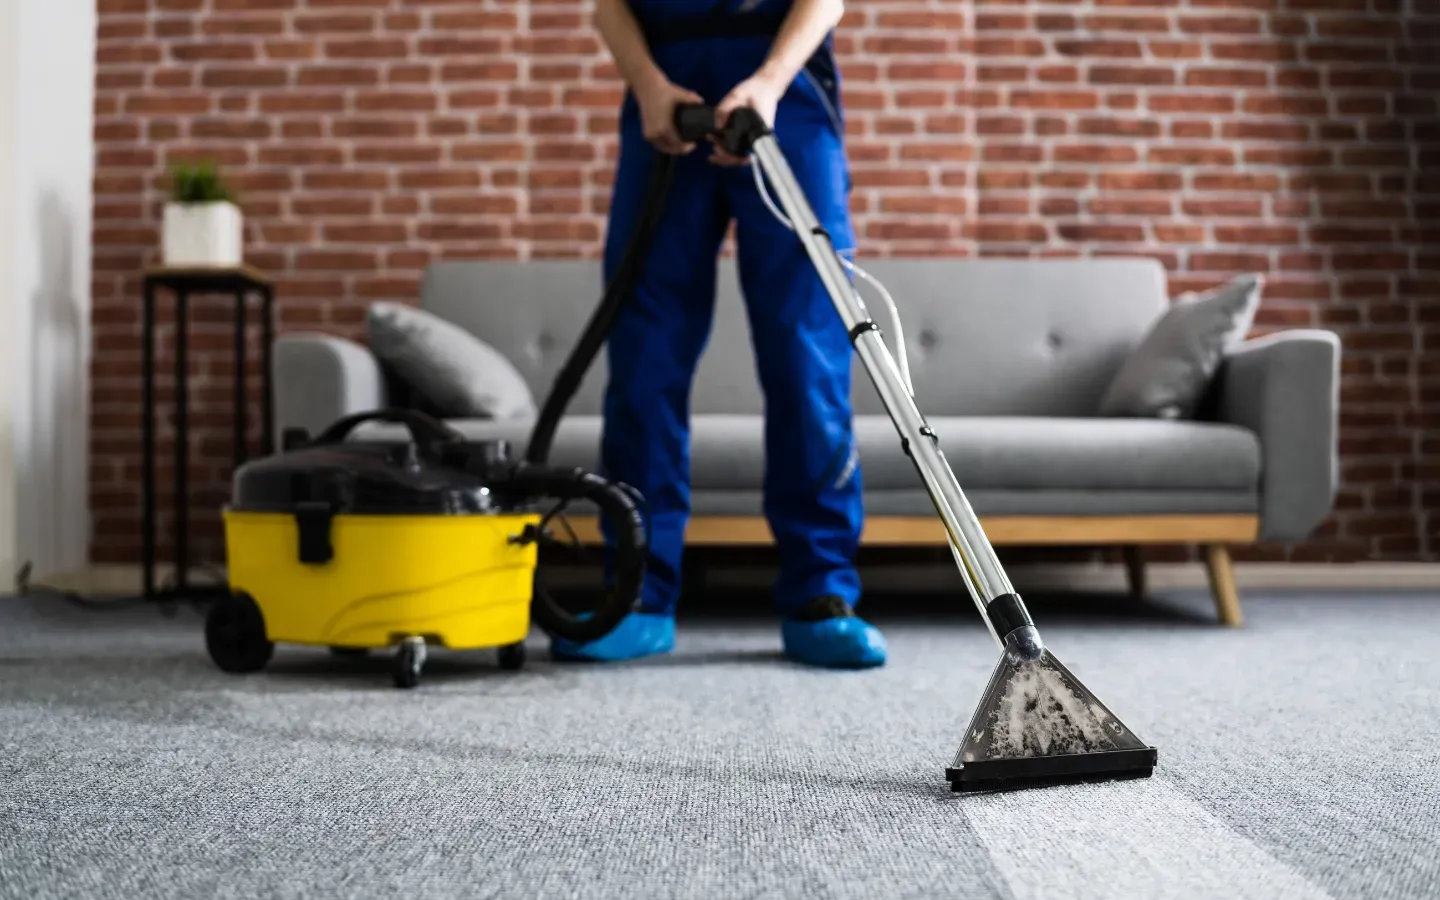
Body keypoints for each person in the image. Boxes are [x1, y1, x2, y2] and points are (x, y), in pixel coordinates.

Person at [549, 0, 886, 669]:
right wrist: (647, 85)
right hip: (666, 96)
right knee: (645, 359)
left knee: (806, 359)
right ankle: (638, 595)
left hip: (783, 95)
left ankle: (820, 595)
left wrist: (768, 83)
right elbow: (610, 6)